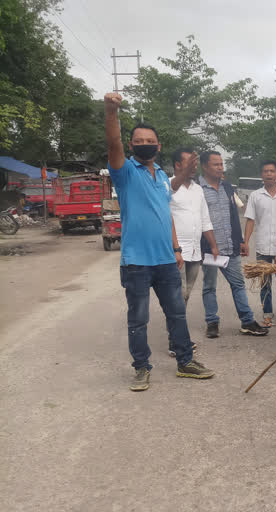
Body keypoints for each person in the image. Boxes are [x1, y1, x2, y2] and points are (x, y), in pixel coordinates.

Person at [103, 92, 214, 391]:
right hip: (137, 262)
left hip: (166, 260)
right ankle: (141, 368)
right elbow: (113, 143)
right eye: (137, 141)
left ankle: (185, 361)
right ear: (131, 146)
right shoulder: (125, 172)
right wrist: (111, 112)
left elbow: (166, 201)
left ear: (158, 145)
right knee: (138, 320)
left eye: (148, 141)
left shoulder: (163, 176)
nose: (144, 144)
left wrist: (184, 174)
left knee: (177, 313)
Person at [199, 151, 268, 339]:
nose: (221, 168)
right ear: (205, 166)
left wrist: (241, 241)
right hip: (211, 250)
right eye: (216, 164)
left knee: (238, 285)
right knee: (209, 287)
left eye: (221, 164)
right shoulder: (198, 189)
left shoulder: (228, 187)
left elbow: (234, 217)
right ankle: (212, 322)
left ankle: (247, 322)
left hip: (230, 248)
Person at [167, 147, 220, 357]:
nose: (193, 166)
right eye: (189, 162)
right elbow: (165, 218)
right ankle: (176, 341)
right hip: (176, 252)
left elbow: (205, 219)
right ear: (178, 165)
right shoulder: (169, 186)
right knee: (176, 297)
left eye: (195, 163)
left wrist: (214, 245)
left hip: (195, 252)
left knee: (186, 296)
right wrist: (175, 248)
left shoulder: (198, 189)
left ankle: (179, 335)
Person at [244, 160, 276, 329]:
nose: (269, 174)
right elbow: (250, 220)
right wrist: (245, 242)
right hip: (263, 246)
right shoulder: (255, 196)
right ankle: (267, 315)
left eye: (272, 171)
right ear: (261, 175)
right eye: (266, 171)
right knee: (265, 284)